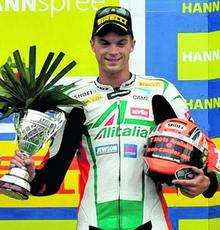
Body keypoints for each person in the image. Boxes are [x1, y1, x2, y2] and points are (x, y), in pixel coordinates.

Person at [10, 6, 219, 230]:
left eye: (120, 42)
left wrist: (208, 182)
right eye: (104, 42)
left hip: (151, 223)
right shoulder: (74, 101)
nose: (113, 51)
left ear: (132, 45)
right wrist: (30, 176)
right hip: (93, 224)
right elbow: (51, 177)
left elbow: (204, 150)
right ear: (92, 45)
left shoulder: (161, 92)